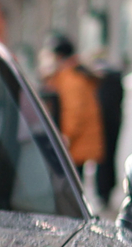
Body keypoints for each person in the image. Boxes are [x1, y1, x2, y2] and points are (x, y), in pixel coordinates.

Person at [41, 36, 103, 191]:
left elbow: (74, 111)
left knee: (71, 185)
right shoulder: (68, 75)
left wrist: (66, 136)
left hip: (74, 142)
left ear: (59, 56)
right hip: (76, 141)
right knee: (73, 182)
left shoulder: (71, 79)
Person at [91, 51, 126, 206]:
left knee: (102, 159)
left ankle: (103, 192)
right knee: (109, 158)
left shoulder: (98, 82)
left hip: (101, 124)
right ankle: (107, 191)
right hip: (114, 123)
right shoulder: (115, 79)